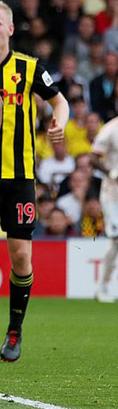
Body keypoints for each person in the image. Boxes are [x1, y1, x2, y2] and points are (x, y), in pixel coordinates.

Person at [0, 0, 70, 363]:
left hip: (21, 177)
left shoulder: (28, 67)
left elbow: (60, 102)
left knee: (21, 255)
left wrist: (60, 122)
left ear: (9, 29)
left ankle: (14, 329)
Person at [90, 116, 118, 303]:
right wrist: (111, 172)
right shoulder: (110, 129)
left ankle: (103, 286)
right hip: (112, 193)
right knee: (116, 239)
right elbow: (93, 158)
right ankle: (102, 286)